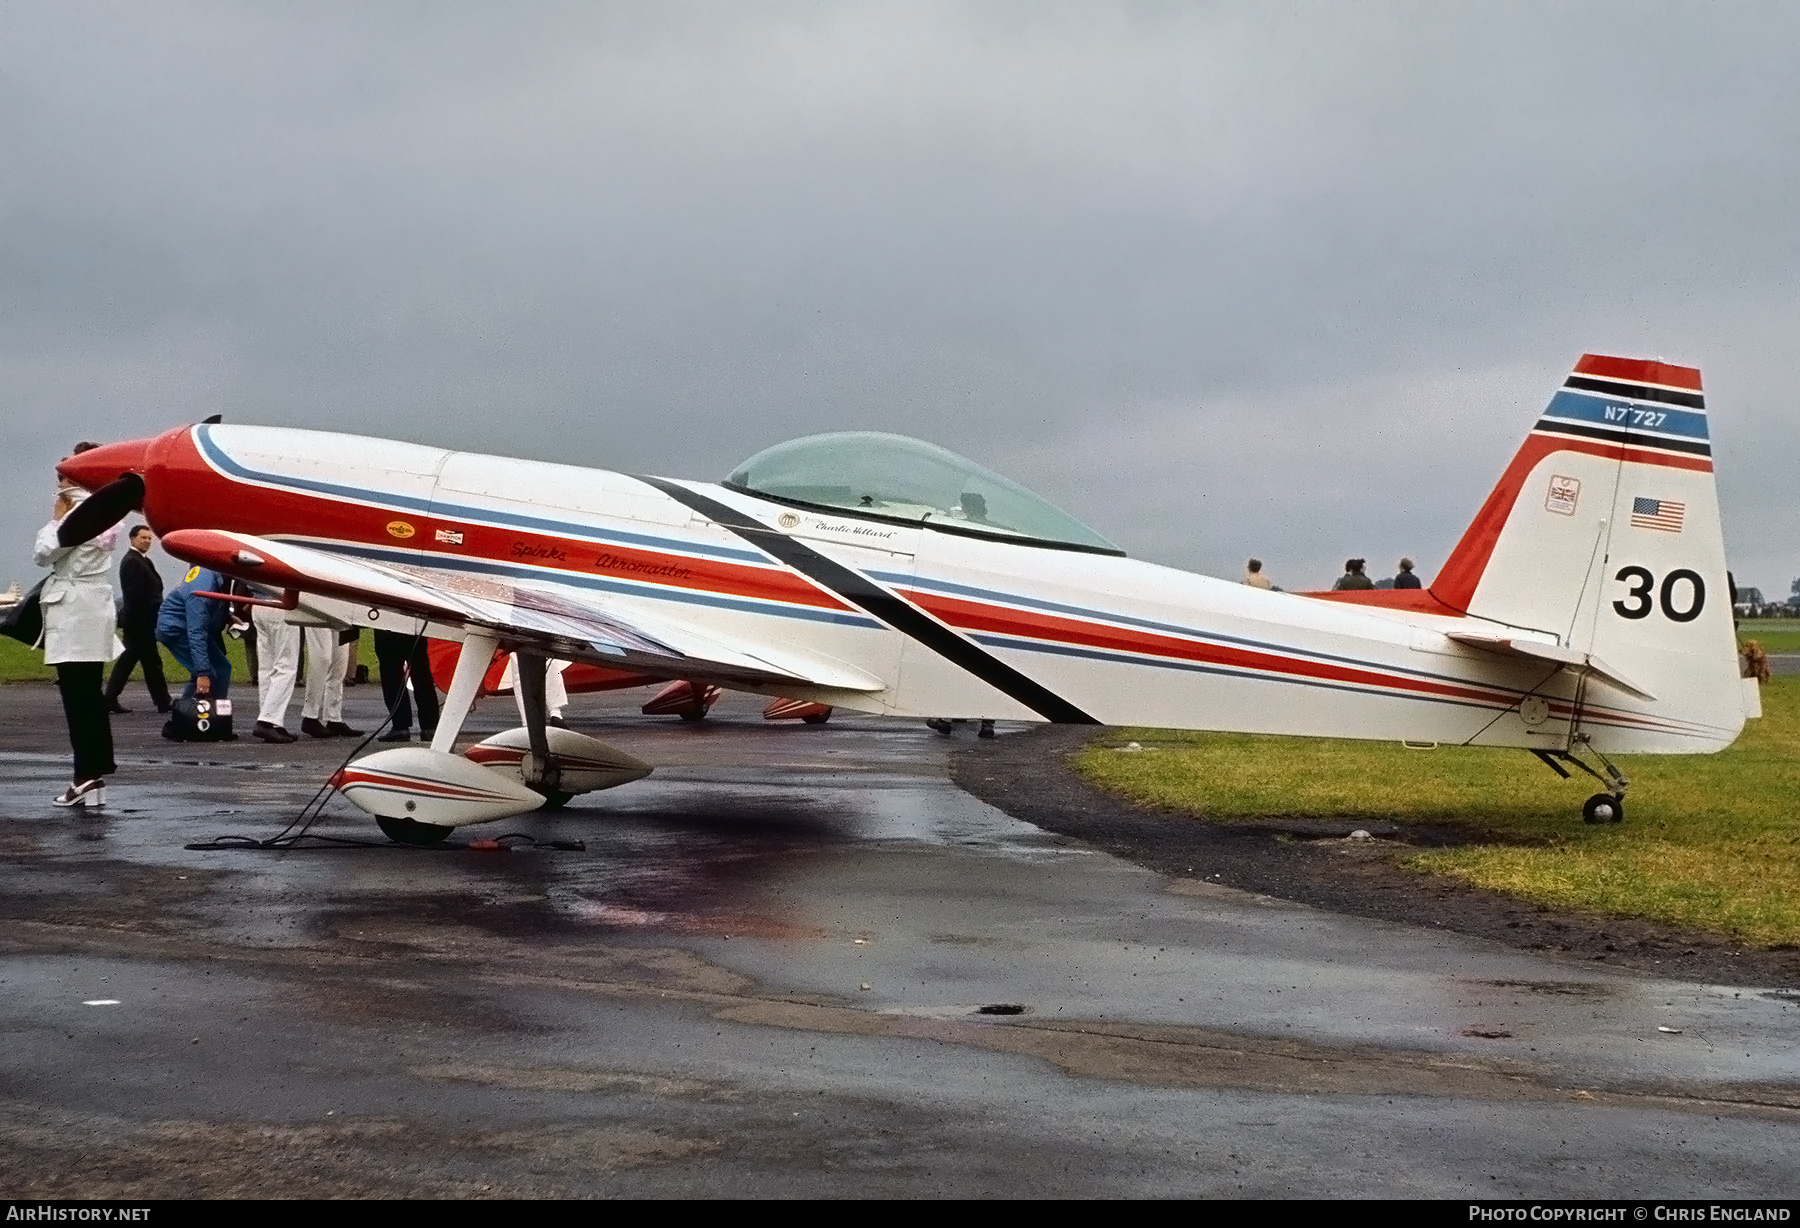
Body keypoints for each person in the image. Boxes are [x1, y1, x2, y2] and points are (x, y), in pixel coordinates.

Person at [35, 465, 122, 808]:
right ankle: (94, 774)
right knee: (90, 695)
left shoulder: (77, 512)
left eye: (63, 477)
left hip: (73, 610)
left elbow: (43, 553)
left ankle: (84, 777)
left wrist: (56, 518)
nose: (59, 483)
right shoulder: (108, 511)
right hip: (95, 607)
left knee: (77, 698)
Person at [103, 524, 172, 715]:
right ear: (132, 539)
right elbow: (134, 596)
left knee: (142, 662)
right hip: (139, 622)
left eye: (149, 538)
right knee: (146, 662)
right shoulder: (132, 561)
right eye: (143, 538)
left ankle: (161, 701)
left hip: (142, 621)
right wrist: (144, 620)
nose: (147, 541)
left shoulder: (140, 560)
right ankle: (162, 702)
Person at [157, 563, 232, 707]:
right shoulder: (201, 593)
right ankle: (183, 717)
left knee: (223, 668)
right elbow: (196, 632)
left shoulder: (211, 572)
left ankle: (218, 717)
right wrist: (202, 672)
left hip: (185, 624)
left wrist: (226, 616)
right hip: (174, 629)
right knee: (208, 673)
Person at [373, 627, 440, 743]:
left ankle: (400, 726)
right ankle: (430, 727)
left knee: (391, 674)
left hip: (386, 625)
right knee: (421, 673)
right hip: (414, 623)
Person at [249, 599, 302, 743]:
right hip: (280, 605)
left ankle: (273, 722)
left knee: (267, 668)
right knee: (286, 667)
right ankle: (267, 720)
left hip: (258, 604)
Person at [300, 626, 363, 738]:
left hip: (341, 613)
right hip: (319, 613)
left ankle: (333, 717)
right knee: (321, 659)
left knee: (340, 663)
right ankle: (310, 715)